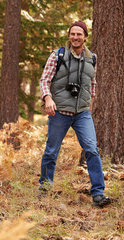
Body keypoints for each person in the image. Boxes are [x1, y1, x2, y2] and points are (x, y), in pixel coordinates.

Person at [38, 21, 111, 207]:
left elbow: (92, 85)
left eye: (79, 34)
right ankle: (44, 189)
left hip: (82, 114)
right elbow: (44, 80)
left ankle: (98, 194)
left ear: (85, 37)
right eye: (73, 34)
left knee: (92, 150)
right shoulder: (58, 55)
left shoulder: (92, 58)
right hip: (59, 112)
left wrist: (90, 107)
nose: (75, 37)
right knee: (51, 151)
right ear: (69, 36)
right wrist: (48, 99)